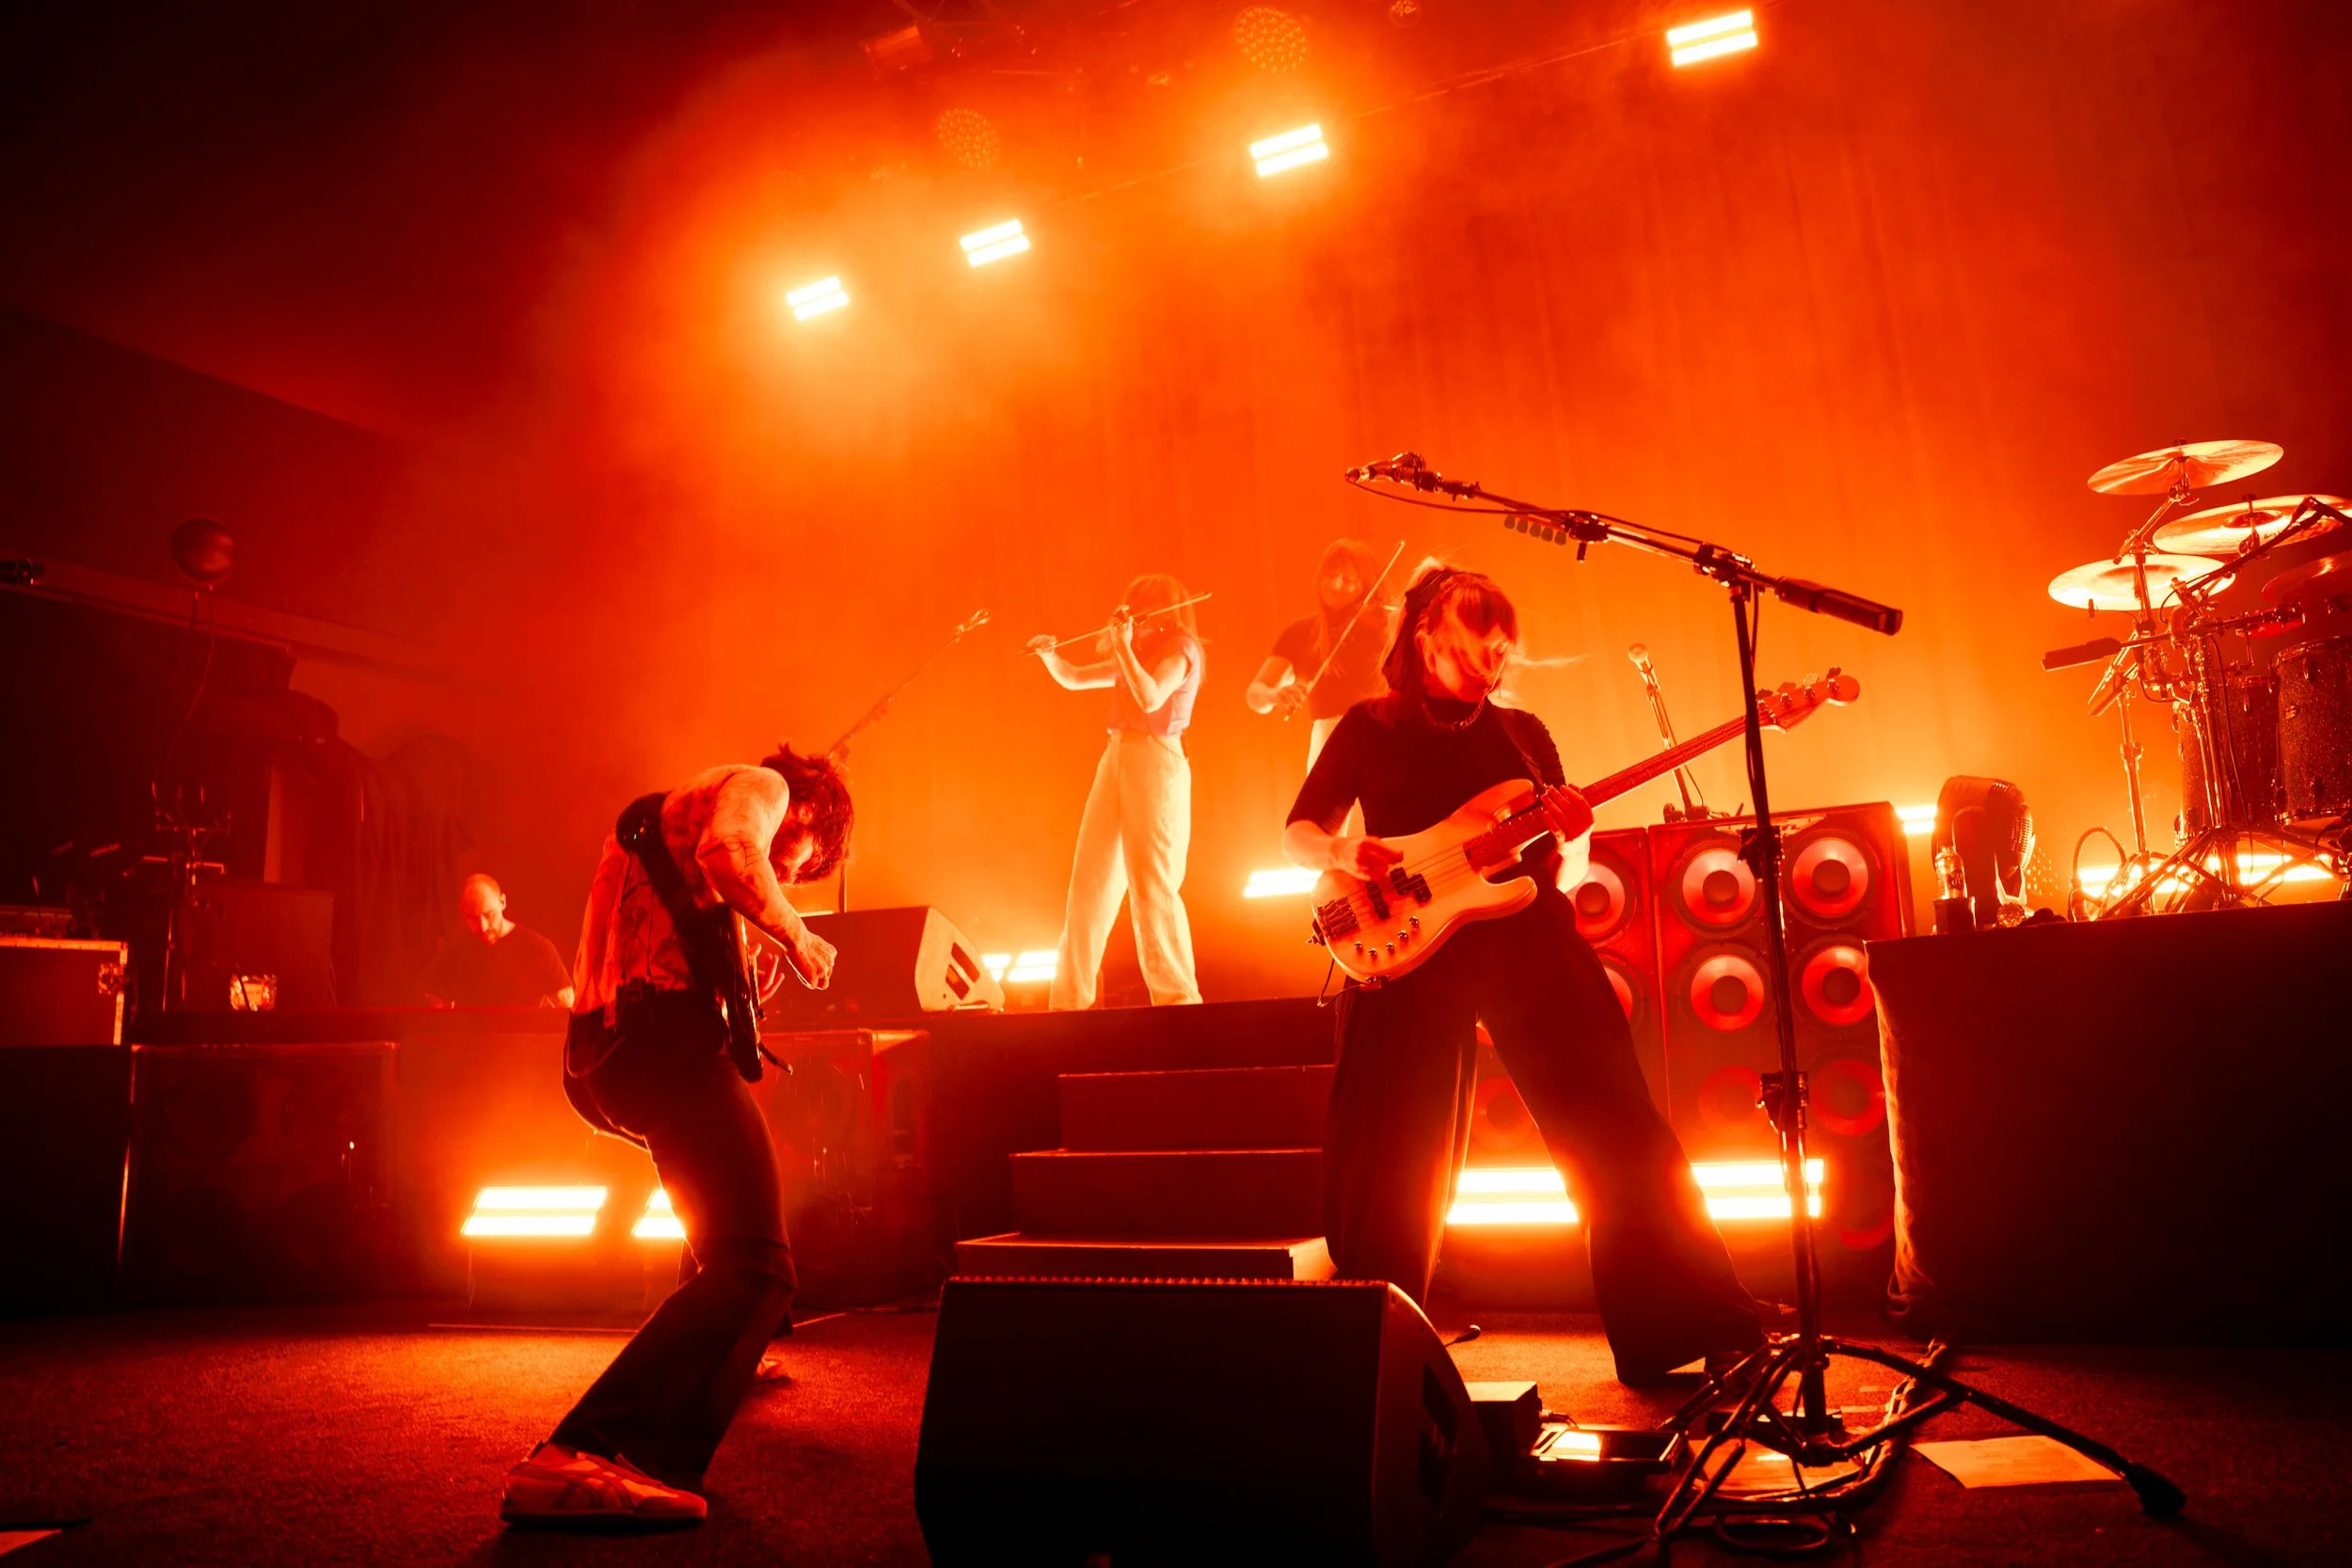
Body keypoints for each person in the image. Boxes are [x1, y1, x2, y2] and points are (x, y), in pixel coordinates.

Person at [1281, 566, 1762, 1383]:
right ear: (1426, 638)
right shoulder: (1367, 726)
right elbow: (1298, 830)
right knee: (1393, 1158)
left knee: (1616, 1123)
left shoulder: (1523, 734)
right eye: (1475, 649)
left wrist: (1573, 834)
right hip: (1408, 948)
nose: (1491, 666)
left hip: (1527, 938)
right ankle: (1375, 1352)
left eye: (1502, 651)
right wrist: (1340, 850)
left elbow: (1564, 866)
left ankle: (1690, 1321)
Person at [499, 746, 851, 1528]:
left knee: (730, 1237)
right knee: (758, 1265)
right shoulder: (763, 786)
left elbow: (683, 906)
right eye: (800, 863)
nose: (788, 876)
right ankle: (584, 1450)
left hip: (608, 1052)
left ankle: (706, 1372)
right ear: (808, 815)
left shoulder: (674, 822)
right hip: (664, 1044)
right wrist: (798, 936)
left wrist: (744, 975)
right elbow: (733, 851)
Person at [1026, 573, 1203, 1010]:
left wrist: (1123, 647)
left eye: (1146, 611)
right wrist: (1050, 656)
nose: (1137, 619)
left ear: (1167, 614)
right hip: (1117, 755)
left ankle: (1178, 999)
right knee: (1088, 882)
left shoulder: (1181, 650)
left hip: (1157, 758)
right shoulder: (1136, 654)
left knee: (1152, 883)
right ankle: (1068, 1002)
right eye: (1134, 609)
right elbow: (1074, 678)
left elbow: (1151, 698)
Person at [1246, 538, 1397, 770]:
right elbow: (1255, 694)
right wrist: (1275, 695)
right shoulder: (1301, 632)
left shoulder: (1386, 628)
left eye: (1347, 579)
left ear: (1366, 586)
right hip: (1329, 742)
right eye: (1330, 575)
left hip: (1381, 738)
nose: (1335, 584)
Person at [421, 873, 576, 1007]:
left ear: (502, 902)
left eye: (489, 915)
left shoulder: (539, 948)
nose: (483, 927)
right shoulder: (455, 955)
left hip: (528, 1033)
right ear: (462, 912)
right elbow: (433, 1004)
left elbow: (567, 1008)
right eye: (472, 918)